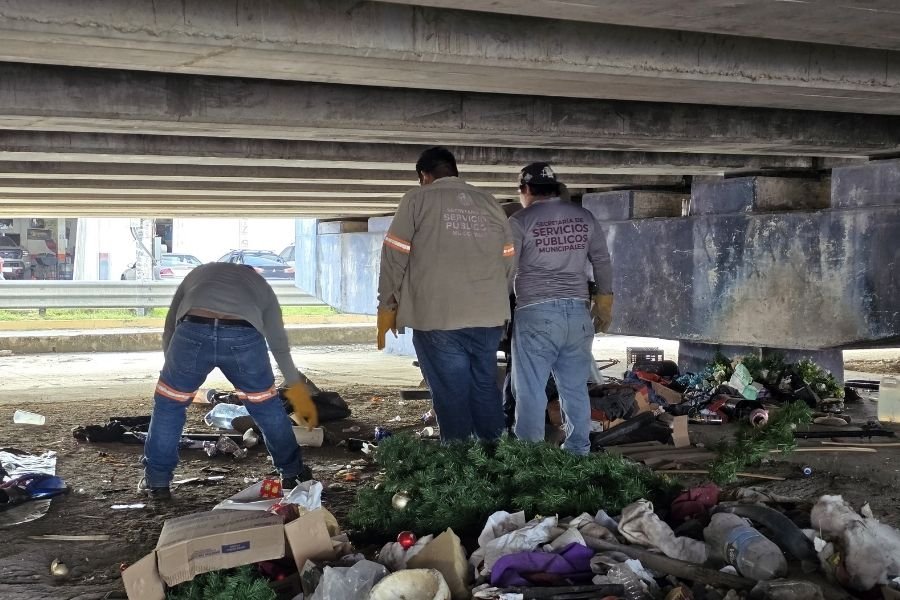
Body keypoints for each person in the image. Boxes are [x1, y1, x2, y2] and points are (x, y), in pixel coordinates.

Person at [140, 262, 318, 498]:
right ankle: (293, 474)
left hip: (193, 330)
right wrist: (296, 388)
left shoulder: (198, 273)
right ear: (250, 274)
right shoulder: (260, 285)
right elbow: (278, 342)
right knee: (266, 408)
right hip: (242, 335)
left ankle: (157, 482)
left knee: (169, 408)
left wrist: (174, 370)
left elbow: (169, 327)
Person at [377, 146, 516, 442]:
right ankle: (495, 458)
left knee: (451, 391)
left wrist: (386, 304)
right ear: (454, 171)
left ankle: (458, 463)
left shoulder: (418, 199)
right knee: (483, 386)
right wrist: (493, 296)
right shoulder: (489, 202)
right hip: (488, 317)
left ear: (424, 176)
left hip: (438, 317)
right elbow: (508, 257)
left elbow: (395, 254)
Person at [509, 162, 613, 455]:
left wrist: (497, 309)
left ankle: (530, 456)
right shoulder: (584, 217)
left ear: (526, 190)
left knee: (530, 390)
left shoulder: (520, 221)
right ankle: (578, 450)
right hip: (578, 314)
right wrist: (604, 301)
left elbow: (506, 269)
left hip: (536, 314)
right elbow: (602, 261)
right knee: (575, 388)